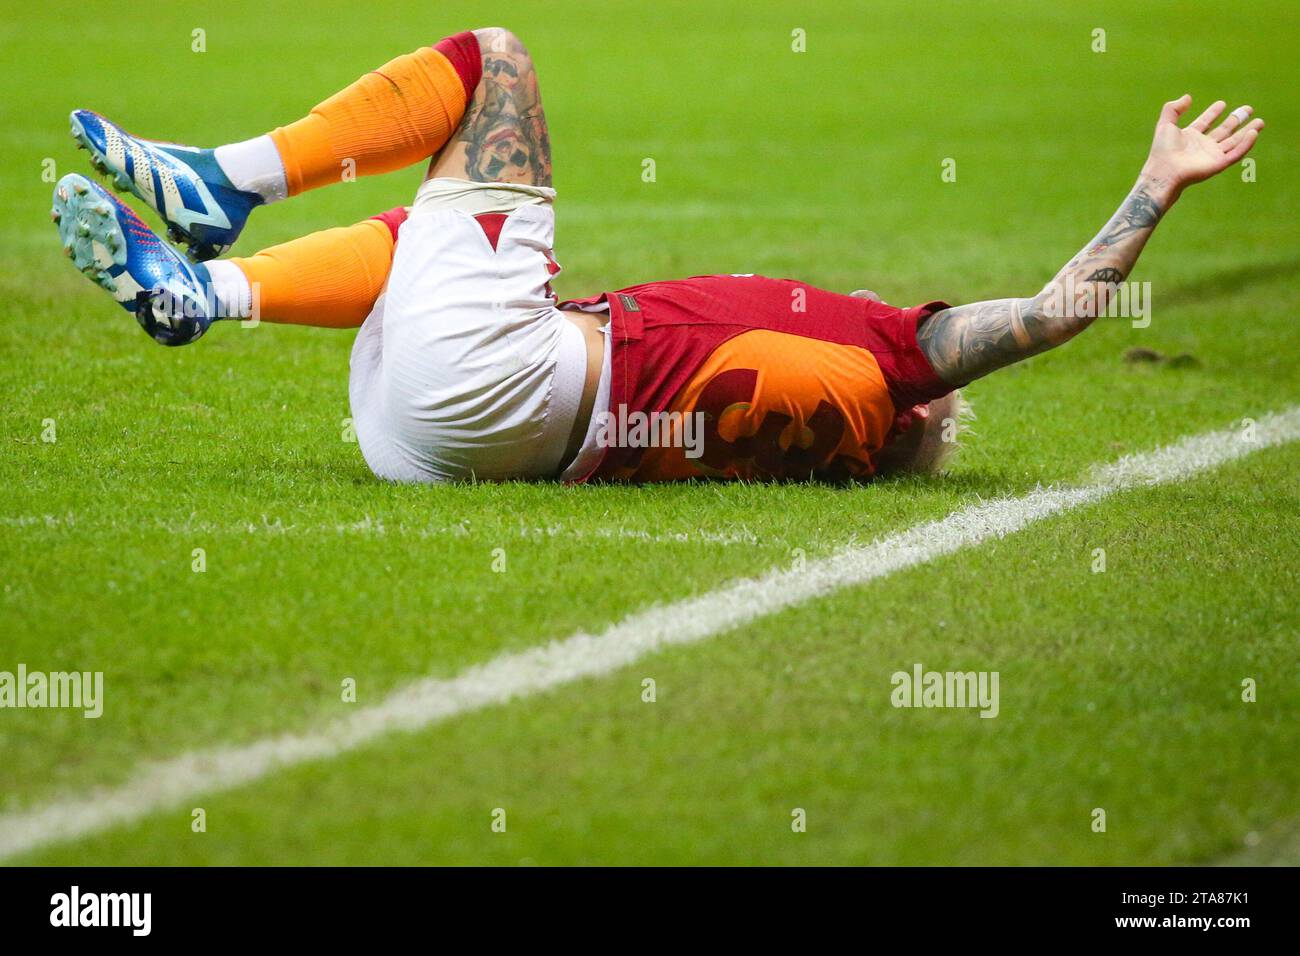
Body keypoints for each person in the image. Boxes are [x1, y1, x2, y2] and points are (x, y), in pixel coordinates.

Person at [50, 27, 1264, 484]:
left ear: (914, 416)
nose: (951, 420)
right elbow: (1051, 319)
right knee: (430, 231)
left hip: (494, 381)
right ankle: (199, 290)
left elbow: (1052, 315)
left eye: (942, 420)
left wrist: (1151, 186)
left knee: (493, 64)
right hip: (425, 444)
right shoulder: (834, 409)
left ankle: (227, 184)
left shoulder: (894, 363)